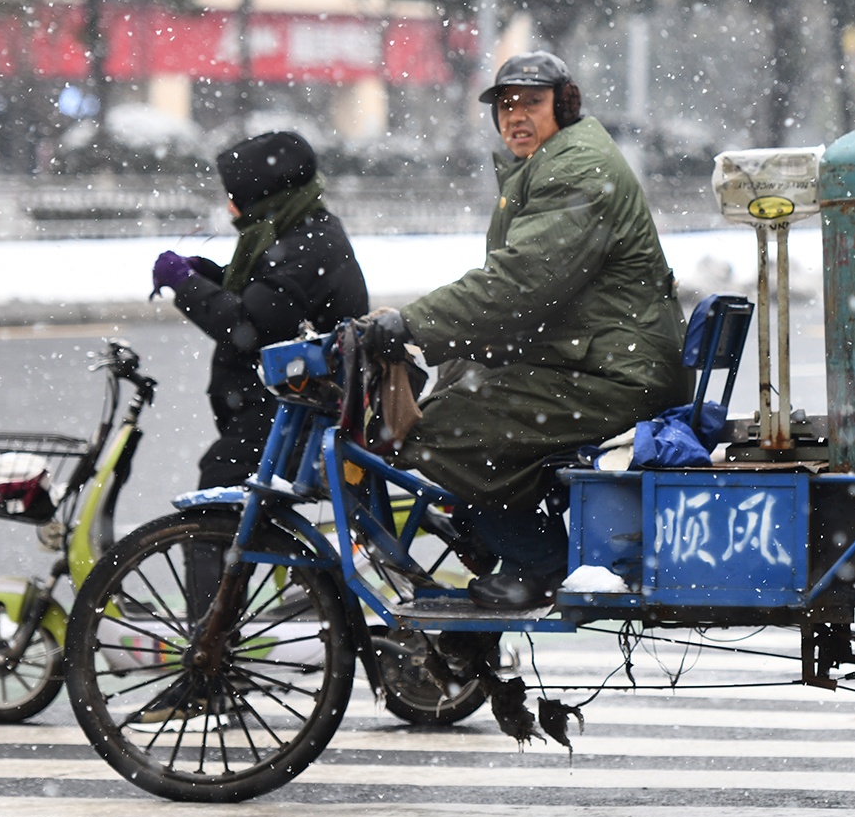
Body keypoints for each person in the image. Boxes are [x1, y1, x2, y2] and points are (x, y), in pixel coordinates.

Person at [362, 52, 687, 610]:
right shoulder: (549, 163)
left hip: (617, 372)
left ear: (564, 104)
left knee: (437, 430)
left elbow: (520, 282)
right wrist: (448, 343)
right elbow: (527, 297)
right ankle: (501, 535)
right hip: (603, 357)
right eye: (505, 106)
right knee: (463, 378)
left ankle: (538, 559)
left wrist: (411, 324)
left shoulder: (575, 168)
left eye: (531, 103)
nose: (515, 117)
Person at [151, 129, 369, 595]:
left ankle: (212, 637)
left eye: (237, 198)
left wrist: (184, 284)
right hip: (287, 407)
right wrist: (201, 274)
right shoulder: (298, 230)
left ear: (265, 196)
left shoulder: (306, 245)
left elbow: (248, 323)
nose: (231, 210)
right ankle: (226, 618)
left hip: (298, 415)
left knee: (216, 501)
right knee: (230, 502)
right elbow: (260, 297)